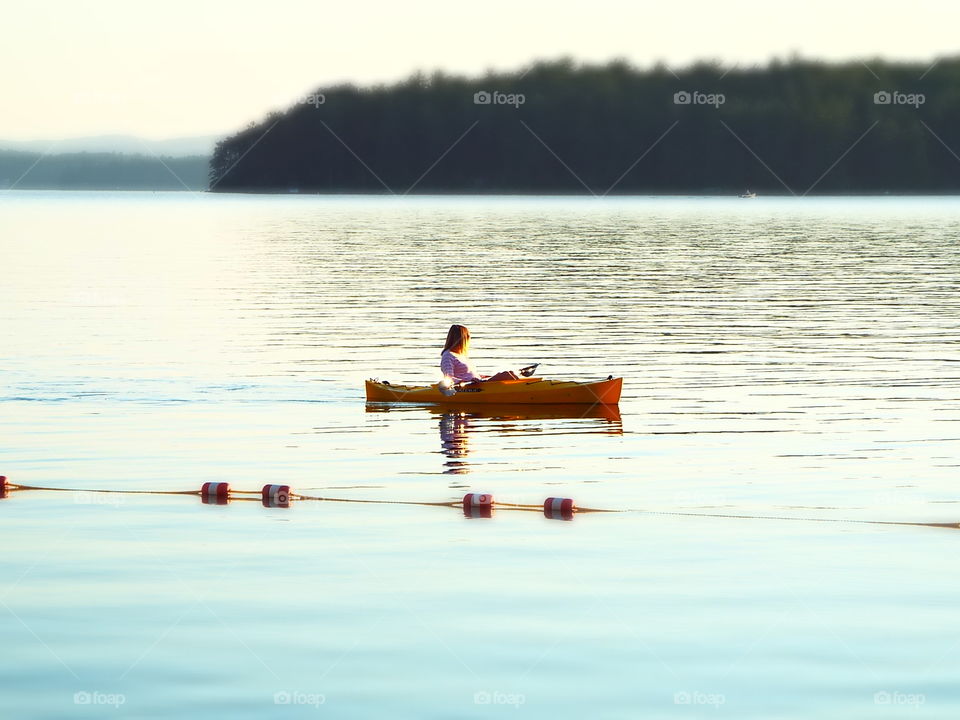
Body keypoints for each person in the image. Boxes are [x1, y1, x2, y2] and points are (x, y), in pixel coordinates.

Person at [440, 325, 518, 384]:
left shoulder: (461, 355)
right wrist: (465, 380)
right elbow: (448, 378)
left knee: (511, 373)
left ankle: (523, 387)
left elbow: (468, 374)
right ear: (462, 339)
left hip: (478, 382)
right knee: (506, 375)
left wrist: (483, 376)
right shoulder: (448, 356)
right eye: (467, 337)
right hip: (470, 386)